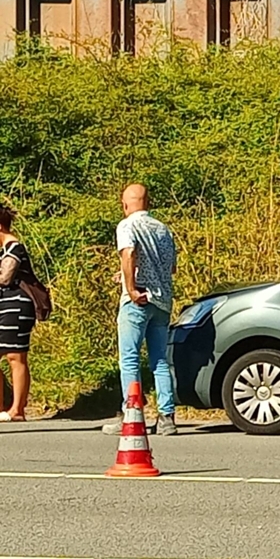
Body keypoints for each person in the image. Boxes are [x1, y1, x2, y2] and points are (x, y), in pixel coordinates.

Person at [102, 184, 178, 436]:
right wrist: (125, 275)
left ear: (125, 204)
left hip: (137, 300)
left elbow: (129, 253)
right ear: (148, 202)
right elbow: (169, 267)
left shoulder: (127, 226)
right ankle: (167, 417)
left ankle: (132, 413)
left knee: (130, 358)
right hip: (162, 300)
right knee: (159, 360)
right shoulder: (162, 229)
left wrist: (131, 287)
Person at [0, 204, 37, 421]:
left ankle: (17, 409)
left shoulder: (15, 248)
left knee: (15, 356)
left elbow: (5, 277)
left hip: (17, 306)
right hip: (4, 304)